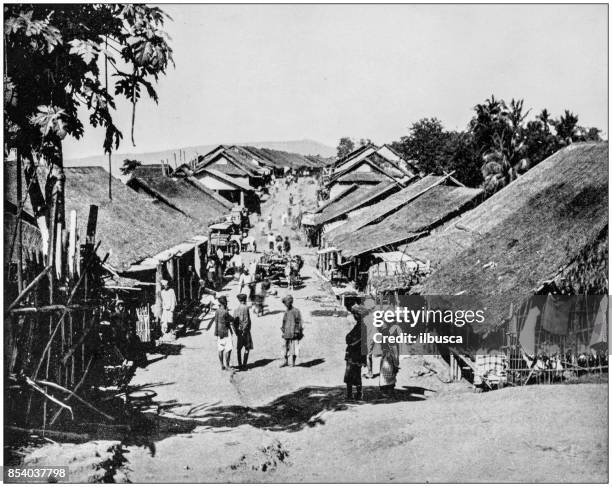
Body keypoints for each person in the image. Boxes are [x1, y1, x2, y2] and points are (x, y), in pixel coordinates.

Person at [345, 304, 368, 400]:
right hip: (355, 353)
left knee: (352, 374)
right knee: (353, 374)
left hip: (355, 354)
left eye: (355, 314)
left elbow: (359, 340)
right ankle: (354, 394)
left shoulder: (362, 326)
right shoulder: (359, 325)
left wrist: (351, 343)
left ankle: (355, 394)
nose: (354, 316)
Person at [280, 295, 303, 367]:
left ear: (290, 302)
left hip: (294, 332)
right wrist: (283, 329)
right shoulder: (286, 311)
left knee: (294, 347)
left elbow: (299, 322)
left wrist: (297, 331)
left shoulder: (296, 311)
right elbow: (284, 321)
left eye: (286, 303)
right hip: (287, 331)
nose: (285, 305)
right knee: (285, 346)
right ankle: (285, 361)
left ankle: (293, 362)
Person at [379, 321, 401, 395]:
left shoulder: (384, 332)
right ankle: (389, 389)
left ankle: (385, 390)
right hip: (389, 355)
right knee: (390, 372)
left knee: (386, 372)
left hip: (386, 355)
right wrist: (396, 360)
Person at [213, 295, 234, 371]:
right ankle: (227, 365)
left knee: (220, 349)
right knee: (228, 349)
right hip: (226, 332)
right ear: (225, 303)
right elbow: (231, 319)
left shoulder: (217, 311)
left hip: (219, 332)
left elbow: (216, 321)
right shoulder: (225, 312)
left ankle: (222, 365)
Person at [234, 294, 253, 371]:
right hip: (246, 331)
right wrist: (245, 330)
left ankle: (240, 365)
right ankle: (244, 365)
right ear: (245, 300)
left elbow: (234, 322)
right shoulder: (246, 308)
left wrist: (236, 331)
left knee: (238, 349)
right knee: (247, 347)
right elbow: (247, 321)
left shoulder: (236, 309)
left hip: (239, 332)